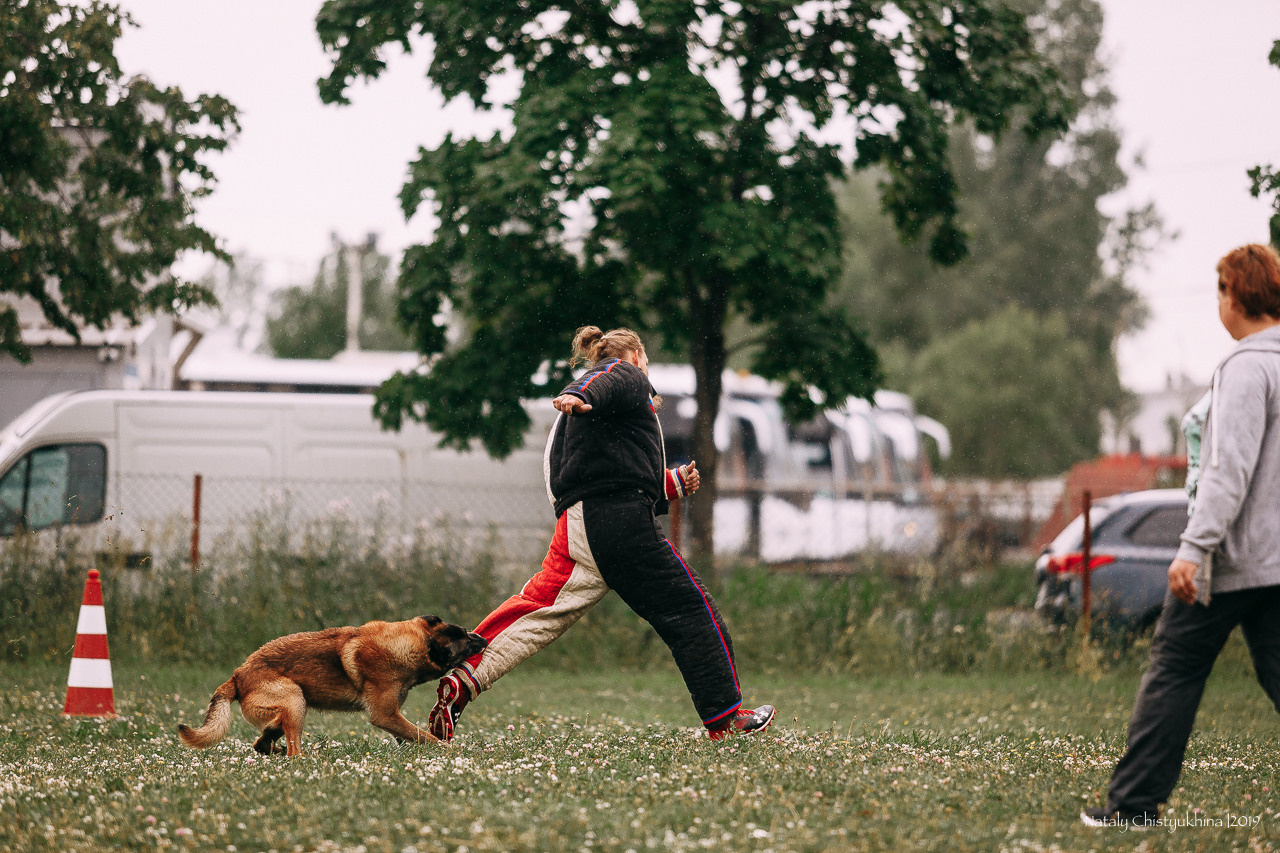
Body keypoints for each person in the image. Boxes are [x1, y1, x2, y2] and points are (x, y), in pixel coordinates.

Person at [427, 326, 775, 741]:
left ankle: (461, 682)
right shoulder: (623, 373)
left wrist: (669, 484)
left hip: (578, 529)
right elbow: (606, 379)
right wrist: (581, 393)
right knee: (690, 610)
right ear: (637, 356)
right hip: (619, 525)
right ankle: (726, 719)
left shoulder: (590, 422)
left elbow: (605, 470)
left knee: (533, 615)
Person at [1082, 243, 1280, 828]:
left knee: (1174, 670)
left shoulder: (1245, 367)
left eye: (1220, 289)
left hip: (1235, 560)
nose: (1218, 301)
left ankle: (1133, 807)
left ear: (1236, 294)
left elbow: (1227, 470)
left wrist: (1193, 549)